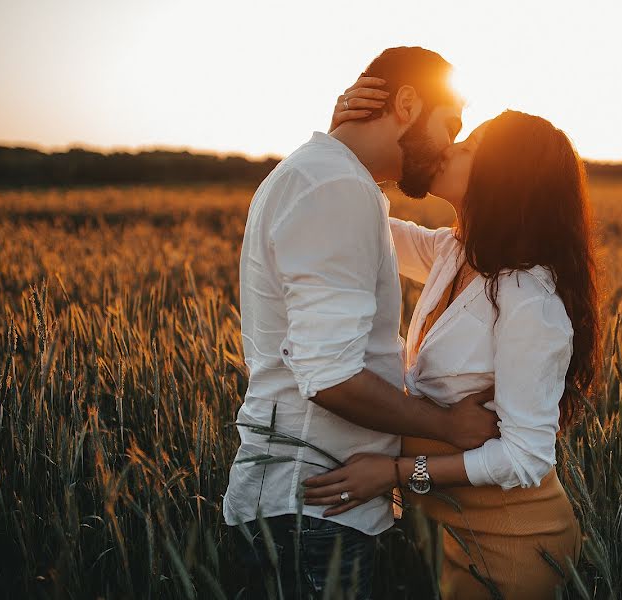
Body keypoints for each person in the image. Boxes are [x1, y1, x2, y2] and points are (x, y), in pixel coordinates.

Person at [223, 47, 500, 600]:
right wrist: (448, 428)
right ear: (405, 103)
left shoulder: (326, 177)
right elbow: (330, 376)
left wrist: (345, 144)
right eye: (451, 126)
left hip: (311, 497)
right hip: (316, 504)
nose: (448, 145)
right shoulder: (335, 187)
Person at [304, 93, 602, 598]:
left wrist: (396, 474)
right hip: (461, 532)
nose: (450, 147)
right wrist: (345, 143)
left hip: (520, 543)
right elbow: (354, 215)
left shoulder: (529, 299)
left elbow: (526, 458)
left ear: (505, 178)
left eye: (471, 146)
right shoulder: (454, 251)